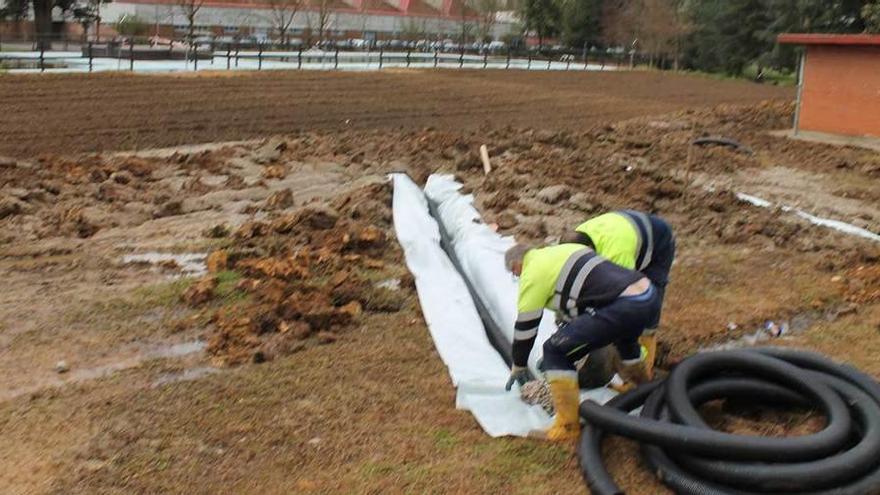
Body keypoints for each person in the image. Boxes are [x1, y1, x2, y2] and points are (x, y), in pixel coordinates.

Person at [503, 243, 661, 441]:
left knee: (554, 350)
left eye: (514, 273)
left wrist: (518, 364)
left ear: (517, 265)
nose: (516, 277)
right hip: (646, 294)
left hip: (623, 304)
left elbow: (526, 326)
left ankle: (567, 426)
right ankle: (645, 392)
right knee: (625, 342)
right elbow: (587, 303)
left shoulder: (532, 272)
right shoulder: (562, 251)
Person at [560, 210, 675, 376]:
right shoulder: (575, 240)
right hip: (623, 228)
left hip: (658, 239)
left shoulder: (616, 256)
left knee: (647, 300)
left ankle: (644, 366)